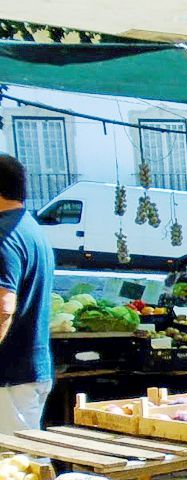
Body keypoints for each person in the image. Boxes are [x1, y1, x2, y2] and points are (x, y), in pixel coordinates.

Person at [0, 154, 54, 434]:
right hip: (31, 369)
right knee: (26, 460)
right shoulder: (31, 228)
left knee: (17, 465)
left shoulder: (4, 234)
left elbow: (3, 306)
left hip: (10, 375)